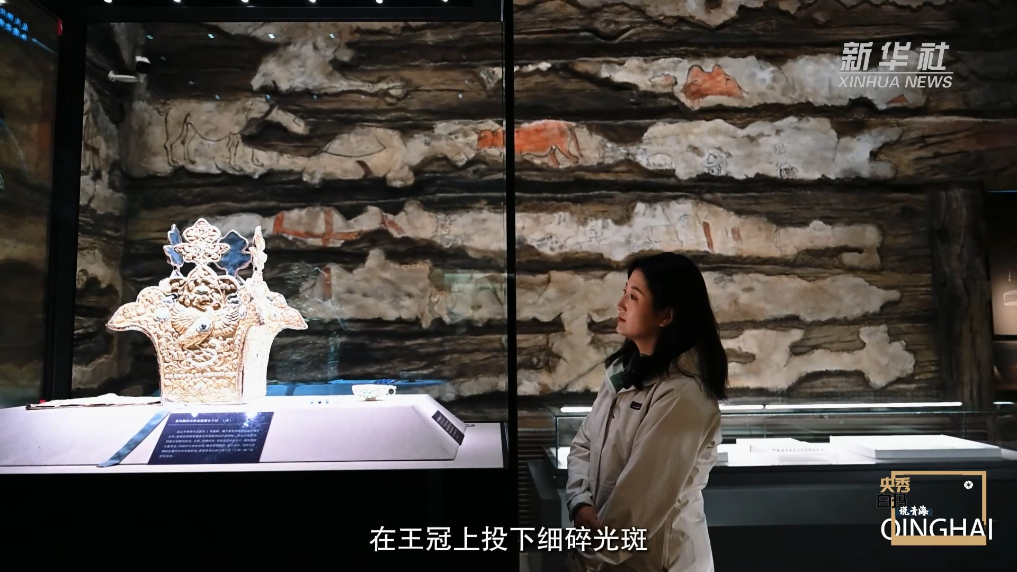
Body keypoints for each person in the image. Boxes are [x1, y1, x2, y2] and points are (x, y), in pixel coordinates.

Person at [564, 252, 728, 572]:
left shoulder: (683, 396)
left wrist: (581, 562)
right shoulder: (621, 372)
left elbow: (637, 505)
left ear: (666, 315)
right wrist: (580, 502)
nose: (620, 304)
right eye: (625, 292)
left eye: (634, 297)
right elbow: (584, 443)